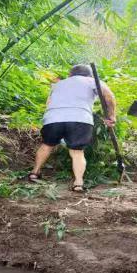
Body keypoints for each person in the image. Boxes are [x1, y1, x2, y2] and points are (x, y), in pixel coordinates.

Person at [26, 64, 116, 193]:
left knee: (47, 145)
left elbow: (48, 103)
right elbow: (109, 96)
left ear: (70, 75)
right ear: (89, 75)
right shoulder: (93, 81)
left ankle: (34, 172)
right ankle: (78, 183)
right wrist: (112, 115)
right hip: (79, 118)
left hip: (53, 118)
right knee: (77, 151)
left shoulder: (59, 84)